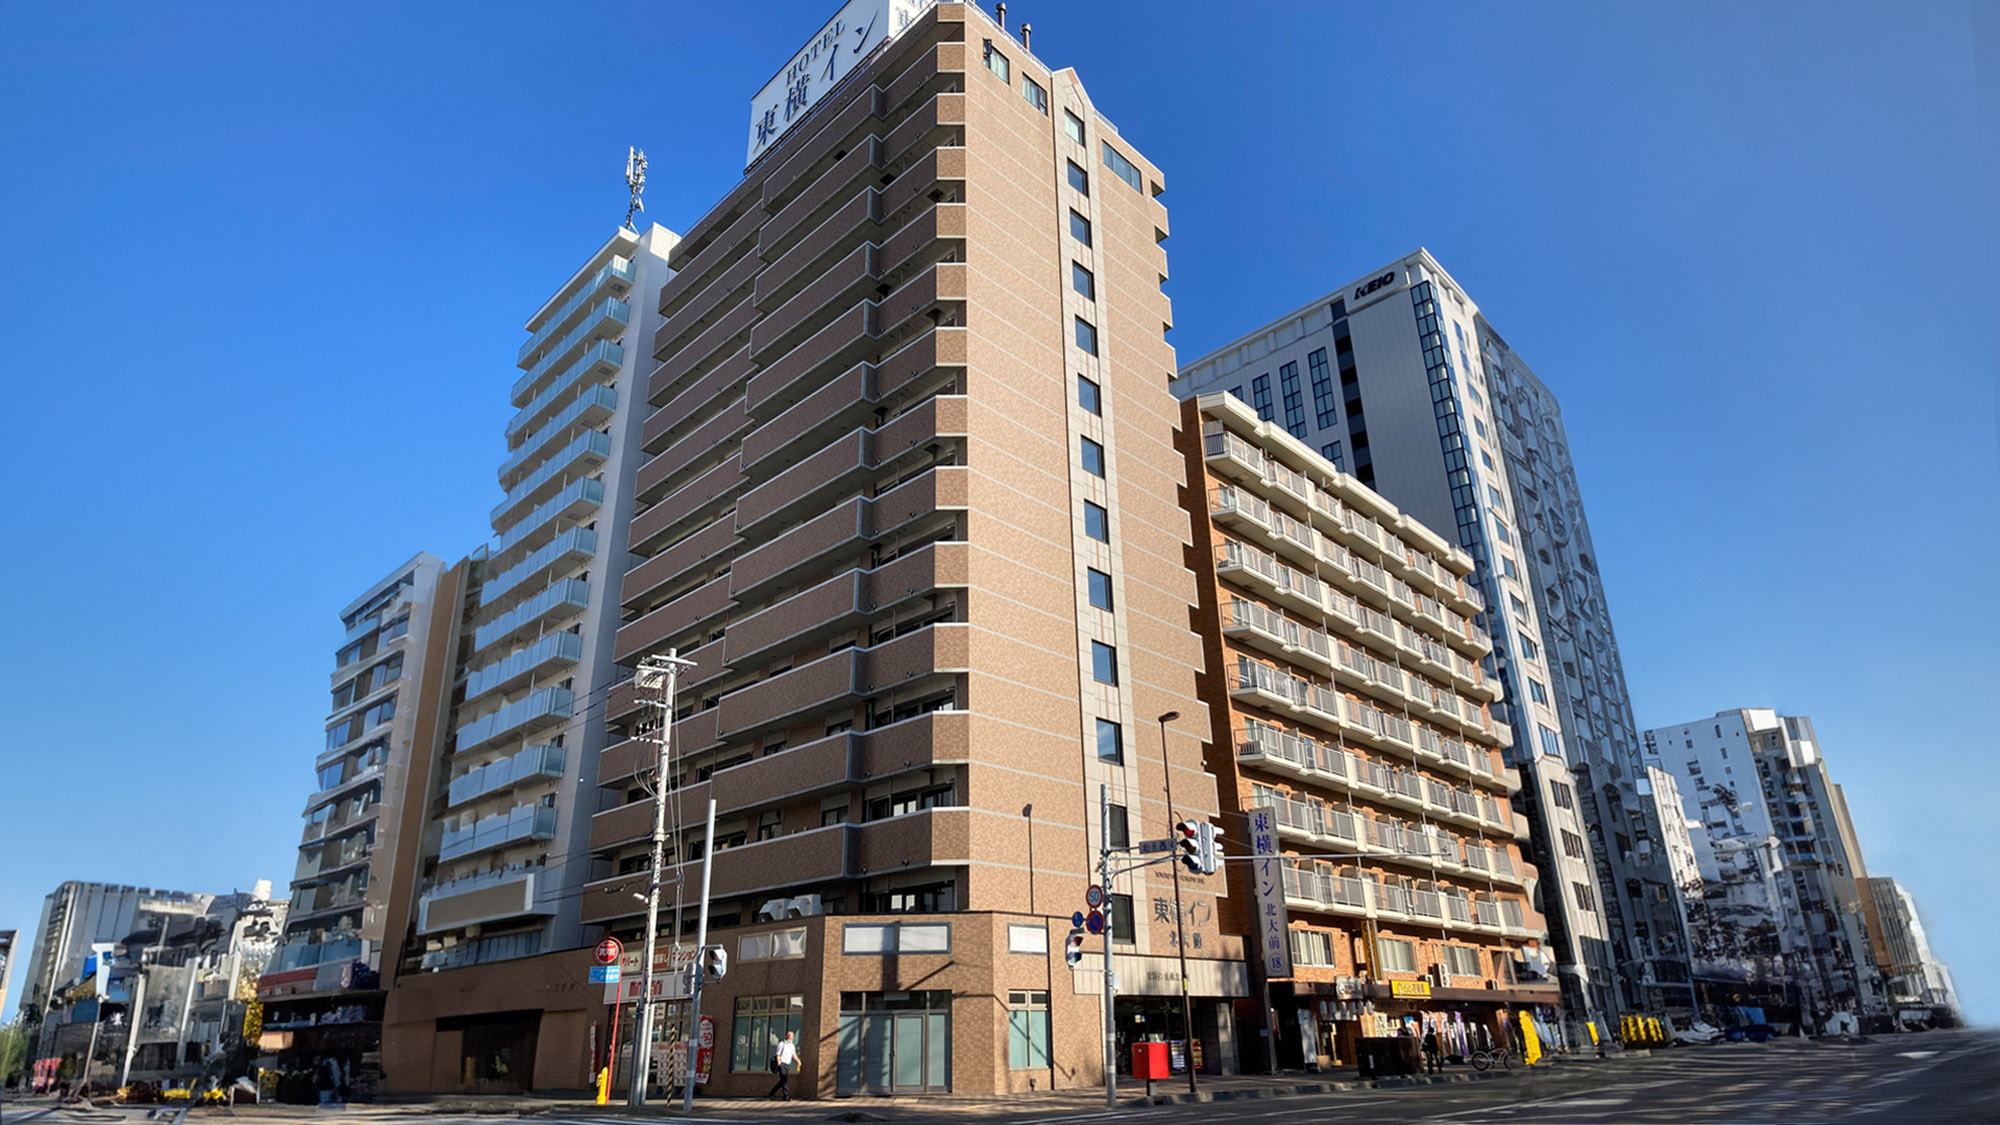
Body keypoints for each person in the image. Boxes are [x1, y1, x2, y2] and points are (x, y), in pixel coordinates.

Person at [767, 1031, 798, 1100]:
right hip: (782, 1063)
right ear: (786, 1036)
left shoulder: (792, 1046)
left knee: (782, 1081)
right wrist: (779, 1063)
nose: (791, 1037)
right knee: (784, 1080)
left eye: (792, 1035)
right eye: (789, 1035)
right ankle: (786, 1096)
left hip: (787, 1064)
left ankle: (771, 1093)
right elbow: (778, 1054)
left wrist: (798, 1061)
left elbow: (793, 1054)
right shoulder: (782, 1044)